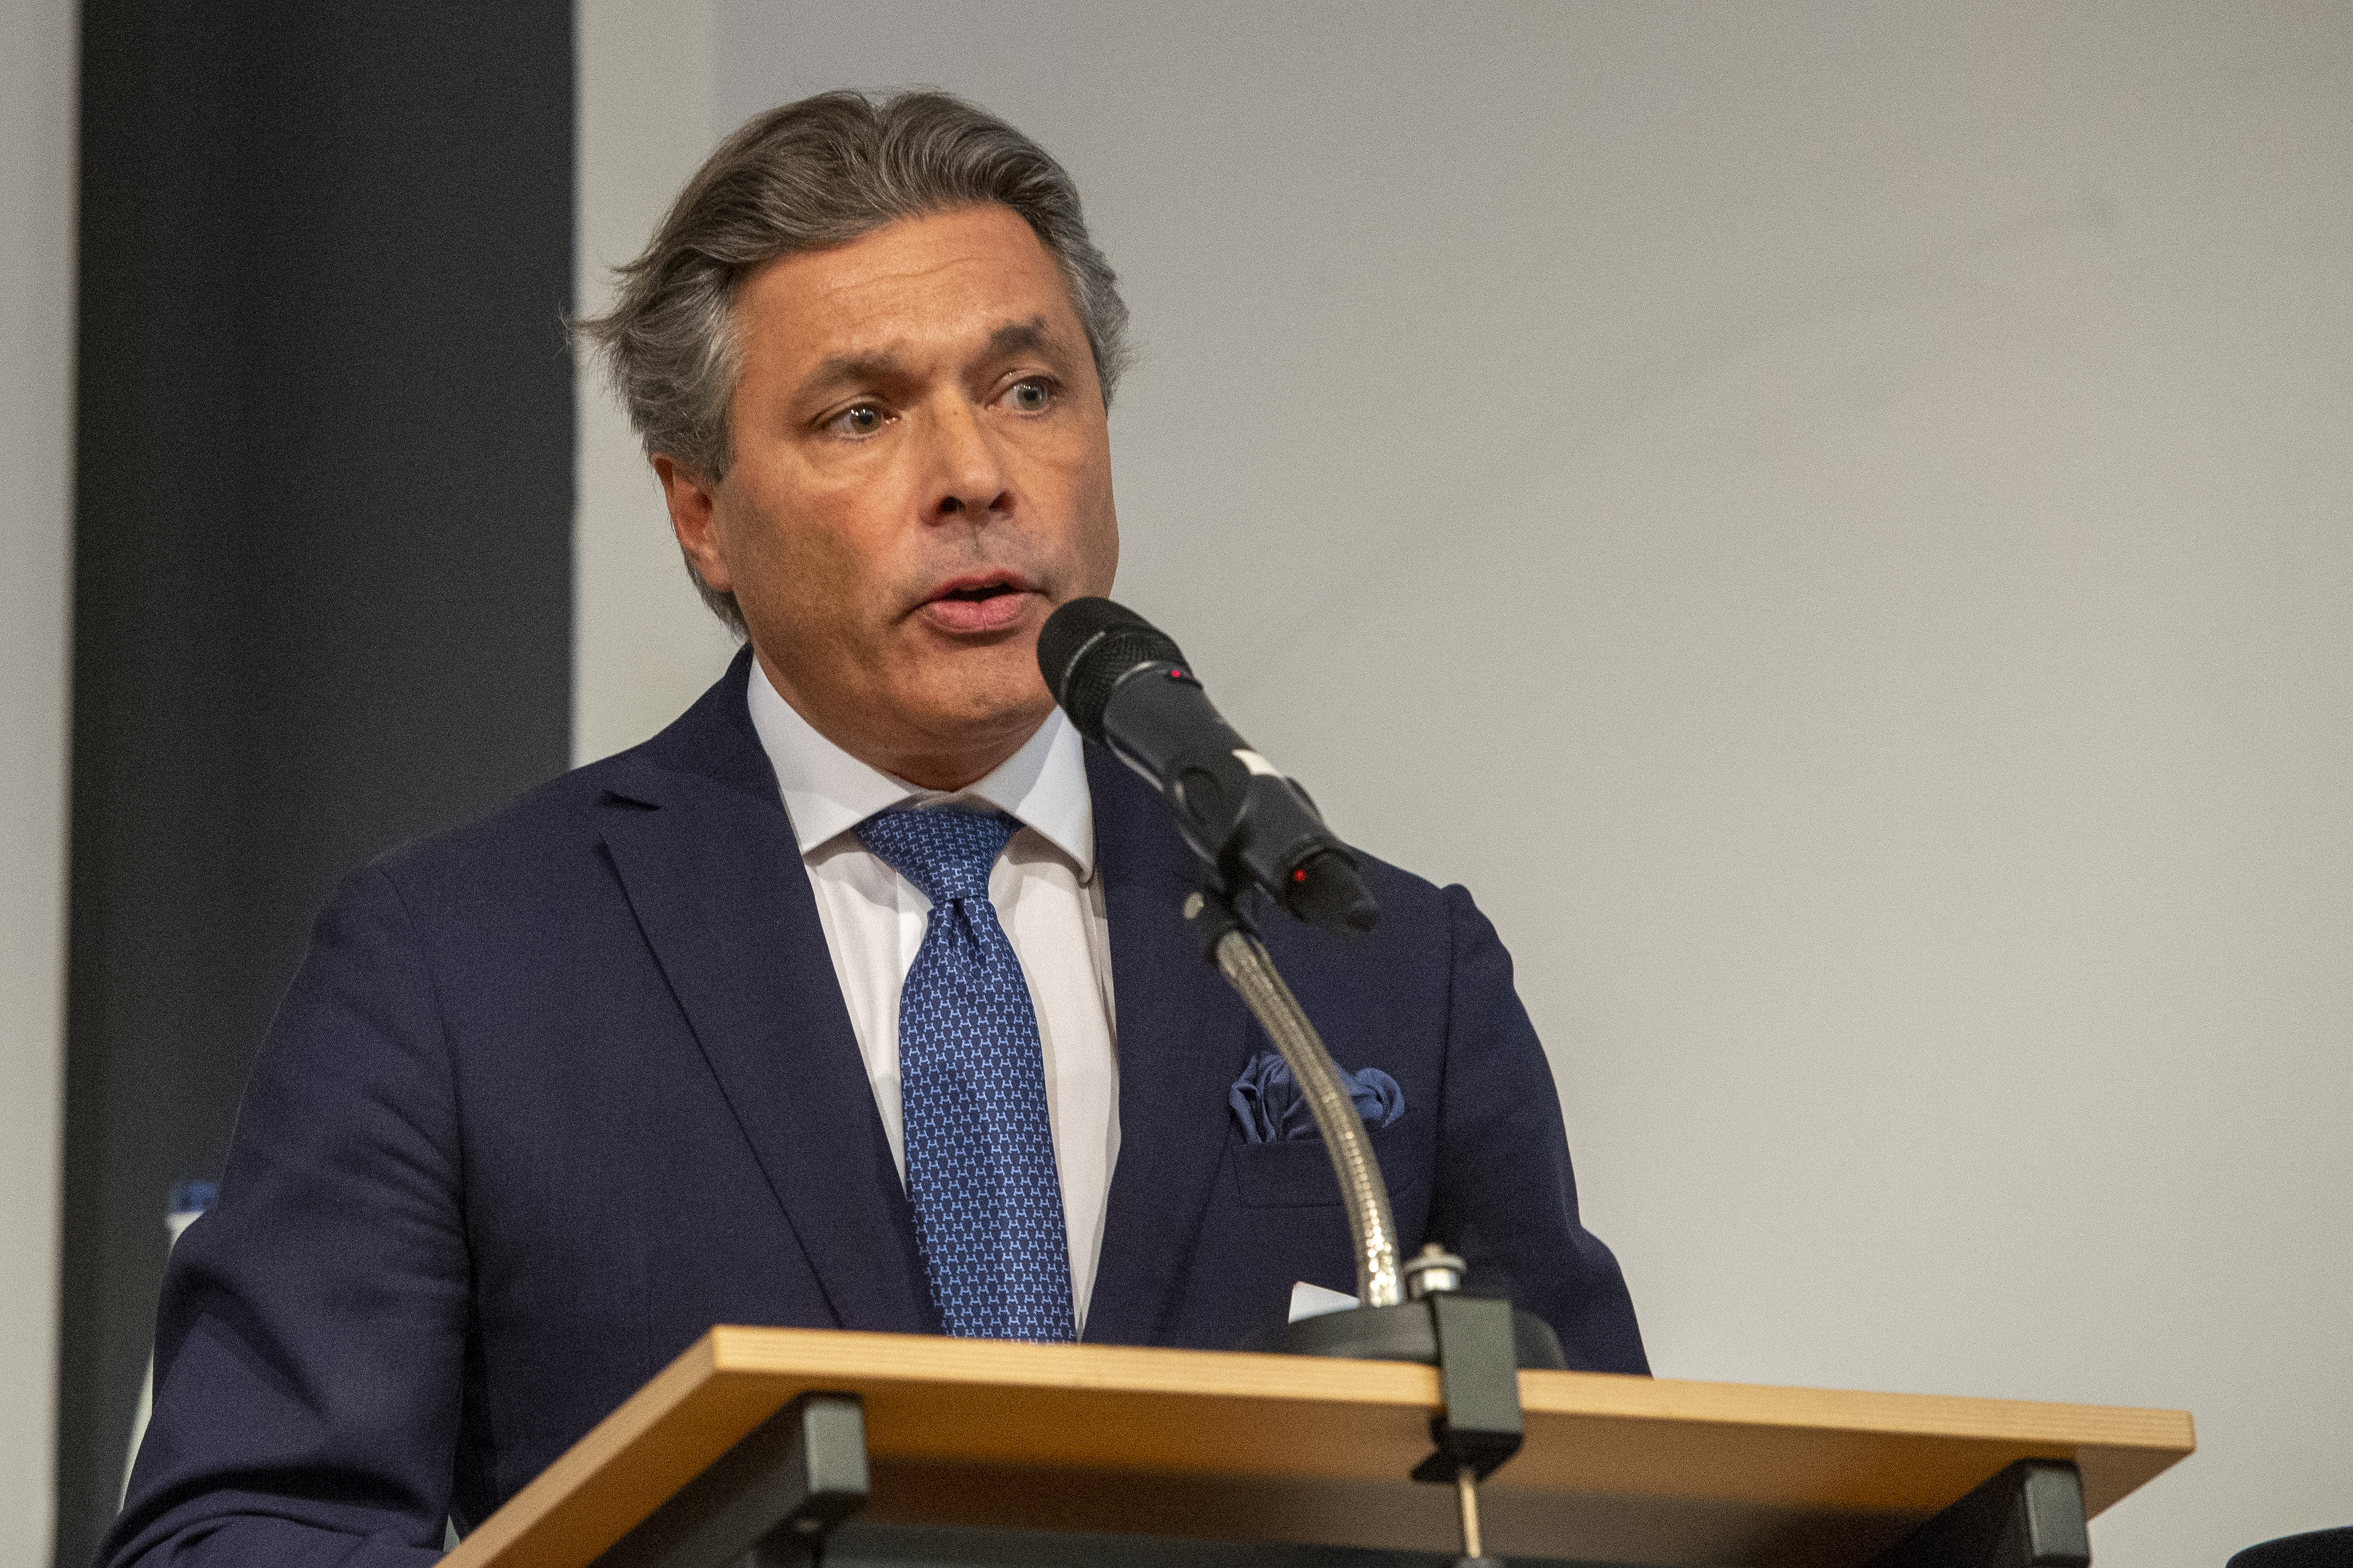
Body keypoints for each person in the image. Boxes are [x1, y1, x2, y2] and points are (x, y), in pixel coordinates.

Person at [103, 90, 1646, 1567]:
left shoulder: (1373, 967)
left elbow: (1611, 1504)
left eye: (1029, 392)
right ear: (699, 511)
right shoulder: (460, 972)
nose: (974, 477)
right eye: (860, 415)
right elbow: (243, 1529)